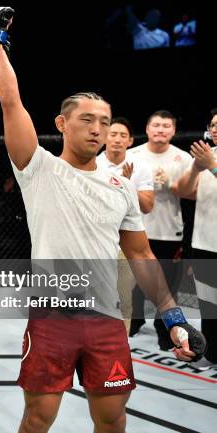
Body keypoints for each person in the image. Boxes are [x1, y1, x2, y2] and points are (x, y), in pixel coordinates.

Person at [0, 7, 205, 433]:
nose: (97, 129)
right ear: (61, 123)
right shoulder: (38, 167)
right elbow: (10, 100)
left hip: (107, 318)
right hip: (52, 316)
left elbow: (140, 254)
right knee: (37, 419)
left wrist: (172, 316)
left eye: (104, 122)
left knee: (111, 419)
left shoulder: (120, 185)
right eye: (87, 119)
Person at [127, 111, 192, 345]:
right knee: (132, 282)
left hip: (169, 231)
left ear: (173, 131)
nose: (161, 130)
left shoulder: (183, 158)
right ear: (147, 129)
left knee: (168, 284)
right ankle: (133, 322)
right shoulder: (131, 154)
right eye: (156, 125)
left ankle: (165, 329)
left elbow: (193, 193)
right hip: (135, 229)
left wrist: (170, 184)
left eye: (166, 126)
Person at [96, 117, 154, 334]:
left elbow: (148, 206)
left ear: (130, 141)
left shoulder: (141, 167)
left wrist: (128, 186)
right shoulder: (92, 164)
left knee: (123, 301)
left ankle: (120, 350)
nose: (117, 140)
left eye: (122, 135)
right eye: (113, 134)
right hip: (95, 245)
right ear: (104, 137)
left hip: (124, 247)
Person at [176, 109, 217, 370]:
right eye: (213, 124)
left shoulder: (211, 159)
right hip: (204, 242)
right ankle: (212, 353)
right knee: (209, 307)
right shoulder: (206, 156)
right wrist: (196, 165)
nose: (216, 128)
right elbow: (183, 190)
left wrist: (211, 165)